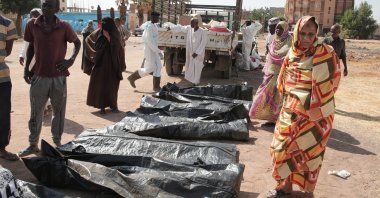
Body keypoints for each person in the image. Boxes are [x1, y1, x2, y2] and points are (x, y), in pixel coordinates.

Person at [267, 16, 341, 197]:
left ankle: (308, 190)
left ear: (316, 34)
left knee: (311, 154)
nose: (307, 38)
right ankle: (285, 186)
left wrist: (313, 103)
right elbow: (283, 82)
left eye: (311, 34)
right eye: (303, 33)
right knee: (281, 149)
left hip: (316, 115)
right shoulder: (292, 53)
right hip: (290, 112)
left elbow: (333, 82)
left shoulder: (326, 52)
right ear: (296, 33)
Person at [19, 0, 81, 156]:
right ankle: (33, 144)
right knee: (36, 111)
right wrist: (27, 69)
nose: (45, 8)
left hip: (59, 77)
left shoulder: (64, 26)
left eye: (49, 6)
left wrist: (71, 60)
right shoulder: (32, 24)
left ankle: (57, 142)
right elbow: (31, 48)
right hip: (39, 76)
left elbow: (77, 43)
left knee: (58, 111)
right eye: (44, 5)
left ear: (56, 9)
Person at [249, 21, 292, 125]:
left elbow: (287, 55)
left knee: (278, 97)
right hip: (270, 72)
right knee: (264, 93)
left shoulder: (290, 41)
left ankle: (274, 119)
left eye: (281, 28)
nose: (278, 30)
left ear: (285, 30)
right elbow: (270, 55)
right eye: (277, 28)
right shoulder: (274, 40)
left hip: (282, 73)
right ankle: (262, 115)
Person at [83, 17, 125, 114]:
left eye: (106, 23)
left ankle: (113, 106)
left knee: (112, 86)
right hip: (100, 64)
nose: (104, 25)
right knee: (100, 85)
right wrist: (94, 53)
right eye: (103, 23)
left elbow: (119, 48)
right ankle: (101, 106)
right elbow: (88, 40)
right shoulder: (98, 32)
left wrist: (108, 38)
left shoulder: (115, 33)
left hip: (112, 64)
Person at [127, 11, 163, 91]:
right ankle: (132, 77)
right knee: (150, 69)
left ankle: (156, 87)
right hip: (150, 51)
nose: (158, 19)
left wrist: (158, 49)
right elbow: (150, 41)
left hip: (154, 50)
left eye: (158, 17)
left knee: (158, 67)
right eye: (157, 17)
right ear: (152, 17)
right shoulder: (149, 27)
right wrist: (158, 51)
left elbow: (154, 40)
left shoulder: (154, 26)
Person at [0, 14, 19, 161]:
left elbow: (8, 51)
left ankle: (1, 148)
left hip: (2, 78)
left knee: (3, 114)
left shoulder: (8, 23)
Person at [169, 18, 207, 85]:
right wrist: (171, 27)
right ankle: (192, 80)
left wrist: (197, 53)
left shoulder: (202, 31)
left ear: (196, 23)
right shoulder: (190, 28)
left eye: (192, 23)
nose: (191, 24)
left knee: (197, 67)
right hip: (191, 52)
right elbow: (181, 28)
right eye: (190, 23)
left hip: (198, 54)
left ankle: (196, 82)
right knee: (191, 66)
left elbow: (203, 43)